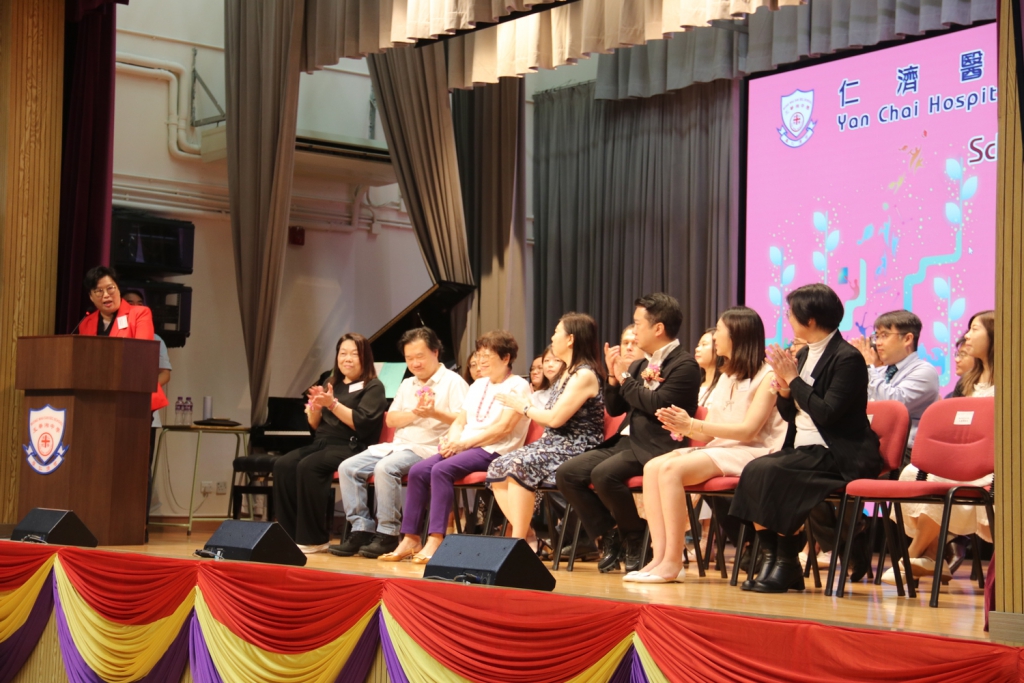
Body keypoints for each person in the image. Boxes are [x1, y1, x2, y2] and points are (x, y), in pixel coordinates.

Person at [729, 284, 882, 593]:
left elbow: (827, 414)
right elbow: (791, 415)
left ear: (810, 320)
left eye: (791, 313)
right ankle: (774, 559)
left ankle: (785, 563)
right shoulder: (803, 353)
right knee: (755, 470)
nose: (788, 318)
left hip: (839, 452)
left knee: (774, 473)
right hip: (804, 448)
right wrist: (785, 390)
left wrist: (793, 379)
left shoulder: (847, 358)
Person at [631, 307, 785, 583]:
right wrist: (681, 426)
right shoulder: (727, 376)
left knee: (671, 470)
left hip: (754, 450)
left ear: (737, 336)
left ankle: (673, 561)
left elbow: (748, 431)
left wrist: (693, 425)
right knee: (653, 467)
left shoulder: (768, 375)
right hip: (723, 448)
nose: (715, 337)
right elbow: (709, 434)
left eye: (720, 331)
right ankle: (659, 557)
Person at [556, 293, 701, 573]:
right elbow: (615, 407)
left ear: (658, 328)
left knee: (604, 474)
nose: (634, 331)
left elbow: (657, 405)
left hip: (657, 445)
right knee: (567, 473)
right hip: (627, 443)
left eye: (638, 324)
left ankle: (635, 538)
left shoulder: (684, 365)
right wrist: (613, 376)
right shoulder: (640, 365)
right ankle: (612, 533)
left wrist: (624, 377)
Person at [380, 330, 530, 563]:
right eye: (478, 355)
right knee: (419, 470)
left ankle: (436, 538)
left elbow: (503, 429)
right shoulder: (478, 384)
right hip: (466, 446)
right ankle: (411, 538)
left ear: (506, 358)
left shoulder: (518, 385)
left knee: (441, 470)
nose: (480, 361)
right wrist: (452, 440)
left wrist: (463, 443)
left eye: (487, 356)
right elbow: (460, 421)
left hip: (495, 449)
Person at [332, 327, 469, 558]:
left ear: (435, 352)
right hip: (399, 445)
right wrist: (416, 413)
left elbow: (464, 420)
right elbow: (392, 419)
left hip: (430, 447)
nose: (414, 363)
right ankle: (361, 529)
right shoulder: (407, 384)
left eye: (420, 356)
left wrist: (434, 413)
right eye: (409, 358)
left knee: (385, 468)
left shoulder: (453, 382)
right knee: (348, 467)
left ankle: (388, 533)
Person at [882, 310, 995, 584]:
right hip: (959, 462)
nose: (967, 336)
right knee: (913, 473)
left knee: (938, 478)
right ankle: (932, 556)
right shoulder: (966, 382)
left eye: (975, 329)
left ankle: (916, 555)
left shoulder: (1013, 380)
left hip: (990, 467)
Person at [486, 313, 606, 539]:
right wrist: (526, 406)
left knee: (519, 466)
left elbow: (554, 419)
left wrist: (523, 407)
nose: (552, 337)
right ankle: (527, 536)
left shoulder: (584, 375)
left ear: (570, 339)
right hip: (553, 443)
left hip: (576, 446)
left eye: (556, 332)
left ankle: (518, 541)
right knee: (498, 466)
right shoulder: (565, 373)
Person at [273, 333, 386, 554]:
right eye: (343, 353)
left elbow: (360, 423)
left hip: (352, 446)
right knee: (283, 465)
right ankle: (288, 535)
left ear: (365, 357)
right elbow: (315, 425)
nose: (347, 359)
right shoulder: (330, 382)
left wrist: (332, 403)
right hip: (322, 442)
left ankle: (313, 539)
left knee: (309, 466)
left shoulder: (373, 386)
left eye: (354, 354)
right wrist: (314, 407)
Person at [77, 267, 169, 414]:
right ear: (91, 297)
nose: (106, 295)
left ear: (118, 289)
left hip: (134, 396)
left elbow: (141, 352)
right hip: (96, 397)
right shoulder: (86, 323)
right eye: (99, 291)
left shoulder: (139, 314)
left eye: (110, 288)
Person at [850, 310, 940, 454]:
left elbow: (893, 405)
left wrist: (868, 367)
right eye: (876, 336)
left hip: (907, 452)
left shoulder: (925, 371)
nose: (878, 343)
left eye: (884, 336)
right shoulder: (879, 372)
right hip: (871, 446)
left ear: (907, 339)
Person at [122, 289, 173, 542]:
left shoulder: (154, 338)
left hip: (146, 412)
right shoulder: (116, 334)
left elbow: (165, 373)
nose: (135, 307)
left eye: (140, 303)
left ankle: (140, 524)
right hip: (116, 411)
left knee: (142, 471)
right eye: (130, 303)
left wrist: (144, 385)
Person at [694, 327, 723, 407]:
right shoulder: (696, 384)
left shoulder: (724, 384)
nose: (697, 349)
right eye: (698, 345)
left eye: (704, 344)